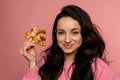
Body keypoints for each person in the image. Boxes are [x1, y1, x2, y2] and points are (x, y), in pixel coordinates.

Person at [20, 5, 120, 80]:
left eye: (74, 32)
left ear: (83, 34)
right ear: (56, 34)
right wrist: (32, 62)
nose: (67, 40)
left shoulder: (97, 67)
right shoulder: (46, 62)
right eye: (61, 33)